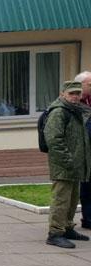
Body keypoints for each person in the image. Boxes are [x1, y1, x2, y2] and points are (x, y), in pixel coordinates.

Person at [44, 80, 91, 249]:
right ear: (62, 94)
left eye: (78, 93)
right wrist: (67, 161)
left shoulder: (74, 111)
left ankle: (67, 228)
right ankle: (55, 233)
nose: (75, 97)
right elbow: (54, 140)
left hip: (75, 165)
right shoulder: (59, 112)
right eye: (72, 93)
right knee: (61, 200)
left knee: (72, 200)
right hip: (64, 165)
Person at [76, 71, 91, 229]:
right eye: (90, 84)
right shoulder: (74, 104)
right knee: (86, 186)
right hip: (83, 152)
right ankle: (88, 219)